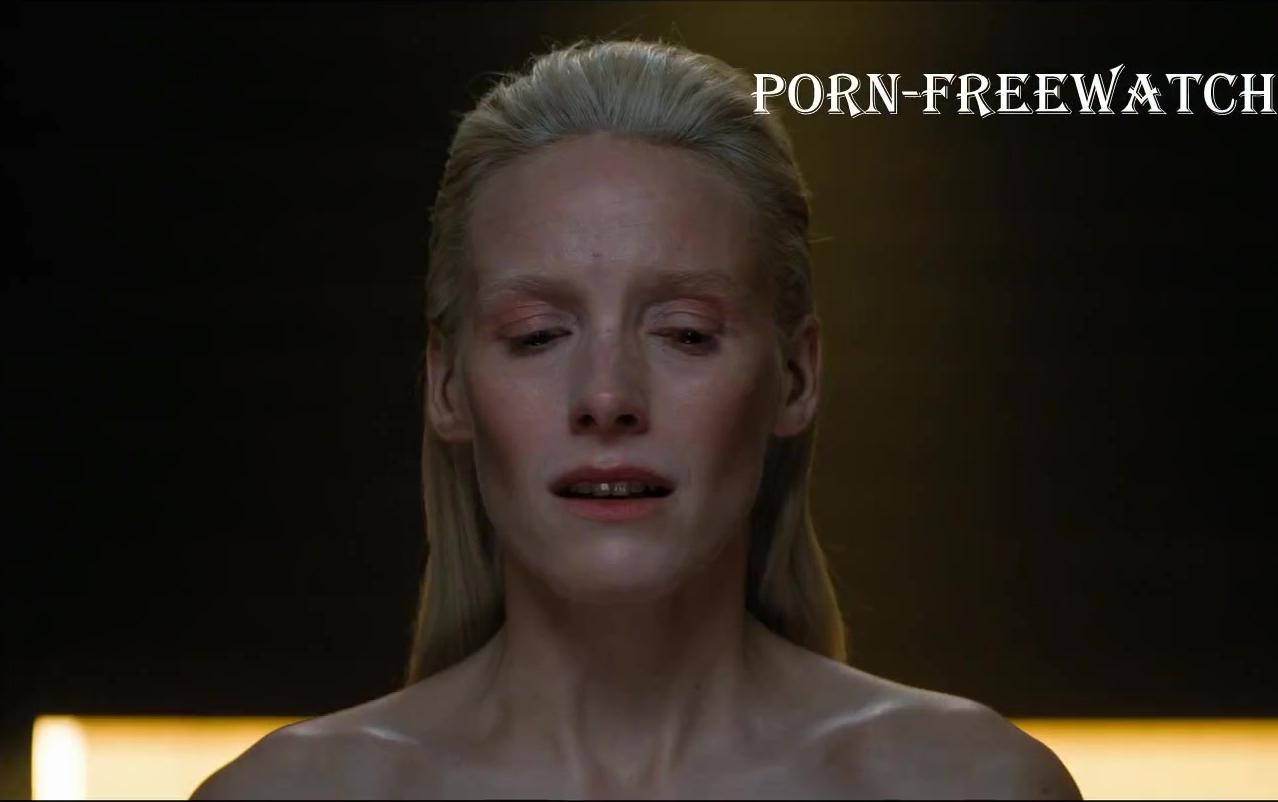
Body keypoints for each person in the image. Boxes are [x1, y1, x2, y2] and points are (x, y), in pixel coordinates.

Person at [193, 39, 1080, 800]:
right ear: (447, 385)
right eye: (538, 335)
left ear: (797, 377)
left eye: (685, 333)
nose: (608, 397)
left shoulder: (968, 785)